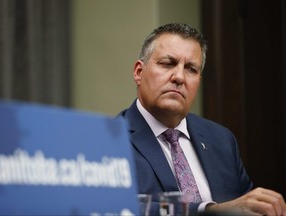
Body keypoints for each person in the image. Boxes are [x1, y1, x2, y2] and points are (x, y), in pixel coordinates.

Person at [118, 23, 286, 215]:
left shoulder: (221, 140)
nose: (179, 77)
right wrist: (209, 211)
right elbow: (123, 210)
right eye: (168, 63)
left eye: (191, 69)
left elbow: (245, 206)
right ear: (139, 72)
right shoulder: (111, 143)